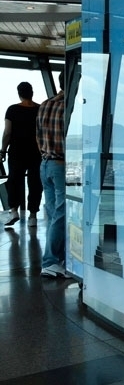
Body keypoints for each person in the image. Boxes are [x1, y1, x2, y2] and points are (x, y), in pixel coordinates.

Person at [2, 81, 42, 227]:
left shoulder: (12, 109)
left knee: (14, 181)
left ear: (19, 94)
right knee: (35, 183)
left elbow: (7, 132)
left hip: (17, 151)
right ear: (32, 93)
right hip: (36, 152)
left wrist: (3, 149)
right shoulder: (40, 109)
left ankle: (14, 211)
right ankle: (33, 216)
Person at [38, 72, 67, 278]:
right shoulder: (68, 106)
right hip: (60, 164)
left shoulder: (44, 104)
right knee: (61, 213)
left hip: (45, 163)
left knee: (53, 213)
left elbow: (38, 136)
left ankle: (55, 260)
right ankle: (51, 261)